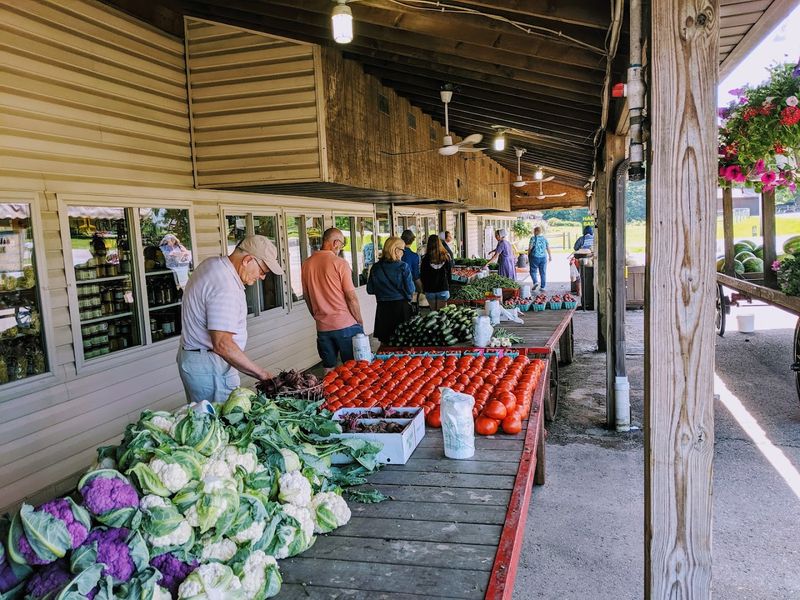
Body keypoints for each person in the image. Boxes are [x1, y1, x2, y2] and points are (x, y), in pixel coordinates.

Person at [177, 235, 282, 404]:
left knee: (203, 417)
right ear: (248, 260)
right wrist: (262, 374)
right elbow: (222, 344)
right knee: (220, 424)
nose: (262, 277)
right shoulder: (226, 286)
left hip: (198, 361)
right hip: (212, 368)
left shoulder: (212, 264)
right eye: (263, 271)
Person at [301, 228, 365, 372]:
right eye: (341, 245)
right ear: (335, 243)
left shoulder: (307, 264)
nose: (340, 248)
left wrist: (318, 316)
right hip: (345, 325)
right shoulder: (340, 263)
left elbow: (307, 296)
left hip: (323, 327)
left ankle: (329, 394)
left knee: (328, 368)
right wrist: (359, 320)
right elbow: (351, 297)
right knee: (353, 369)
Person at [367, 236, 415, 345]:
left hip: (383, 309)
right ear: (396, 250)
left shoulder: (376, 267)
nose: (404, 253)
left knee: (385, 344)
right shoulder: (403, 267)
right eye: (403, 250)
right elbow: (411, 289)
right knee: (403, 343)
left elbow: (370, 290)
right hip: (401, 309)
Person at [421, 235, 452, 310]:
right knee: (441, 316)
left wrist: (423, 288)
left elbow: (423, 276)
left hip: (430, 290)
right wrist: (449, 286)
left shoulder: (425, 259)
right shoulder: (446, 257)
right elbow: (449, 274)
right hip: (443, 289)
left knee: (433, 314)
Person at [528, 226, 552, 291]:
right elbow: (548, 248)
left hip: (534, 257)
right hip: (543, 257)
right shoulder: (544, 238)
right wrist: (550, 256)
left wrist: (528, 255)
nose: (533, 232)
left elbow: (530, 248)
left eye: (534, 231)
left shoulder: (533, 238)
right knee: (543, 272)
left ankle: (535, 282)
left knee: (533, 271)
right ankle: (542, 287)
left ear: (536, 231)